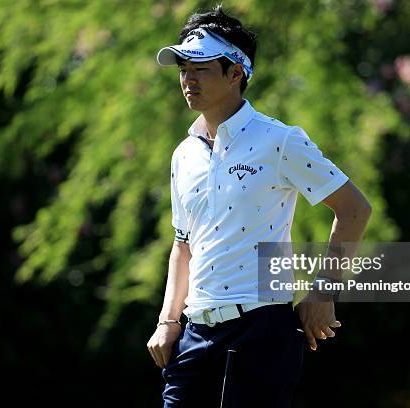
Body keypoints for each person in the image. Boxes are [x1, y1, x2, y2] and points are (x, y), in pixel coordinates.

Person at [147, 5, 372, 407]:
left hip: (261, 331)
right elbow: (183, 245)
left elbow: (354, 209)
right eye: (183, 67)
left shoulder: (279, 140)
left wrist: (323, 291)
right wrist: (168, 321)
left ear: (237, 73)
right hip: (196, 333)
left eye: (200, 68)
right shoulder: (183, 155)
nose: (187, 78)